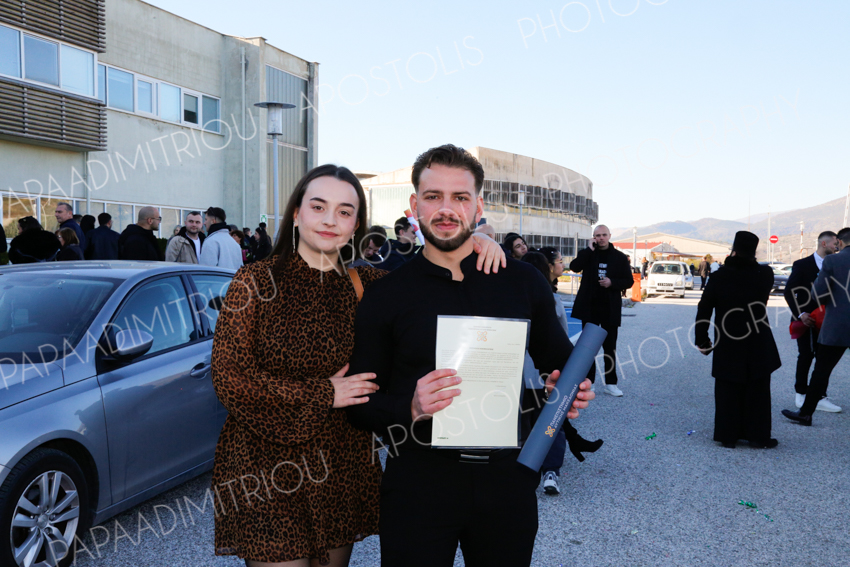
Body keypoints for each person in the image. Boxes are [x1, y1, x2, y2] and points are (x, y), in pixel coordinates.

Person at [211, 163, 506, 567]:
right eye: (318, 207)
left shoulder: (371, 285)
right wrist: (324, 393)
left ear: (356, 225)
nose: (330, 220)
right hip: (265, 466)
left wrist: (479, 243)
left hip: (340, 463)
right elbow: (228, 377)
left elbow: (433, 275)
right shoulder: (254, 282)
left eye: (345, 211)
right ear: (296, 213)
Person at [345, 144, 594, 567]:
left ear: (478, 207)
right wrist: (409, 407)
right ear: (414, 206)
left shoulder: (521, 282)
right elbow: (360, 405)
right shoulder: (387, 294)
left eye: (460, 197)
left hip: (507, 480)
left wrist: (572, 389)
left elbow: (564, 362)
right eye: (433, 196)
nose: (446, 209)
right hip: (418, 482)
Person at [524, 248, 603, 497]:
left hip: (525, 375)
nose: (560, 265)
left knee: (532, 421)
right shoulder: (549, 300)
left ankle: (532, 469)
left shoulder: (517, 300)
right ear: (546, 269)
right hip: (548, 372)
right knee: (553, 421)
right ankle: (550, 471)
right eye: (557, 262)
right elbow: (561, 337)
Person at [695, 231, 780, 448]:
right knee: (757, 389)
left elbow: (704, 308)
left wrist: (702, 339)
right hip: (758, 338)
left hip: (728, 338)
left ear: (733, 249)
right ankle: (758, 436)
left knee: (728, 388)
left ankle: (728, 435)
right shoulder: (765, 274)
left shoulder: (719, 277)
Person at [782, 227, 850, 427]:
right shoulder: (807, 263)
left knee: (822, 369)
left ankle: (805, 414)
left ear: (840, 242)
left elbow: (818, 294)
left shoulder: (833, 261)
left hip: (838, 325)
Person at [569, 224, 634, 396]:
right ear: (593, 237)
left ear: (610, 236)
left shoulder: (619, 257)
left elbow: (629, 281)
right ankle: (589, 382)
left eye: (604, 235)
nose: (601, 238)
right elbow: (574, 266)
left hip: (609, 308)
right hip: (590, 308)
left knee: (610, 348)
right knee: (587, 348)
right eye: (597, 235)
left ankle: (611, 383)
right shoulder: (588, 254)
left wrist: (612, 282)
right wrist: (588, 250)